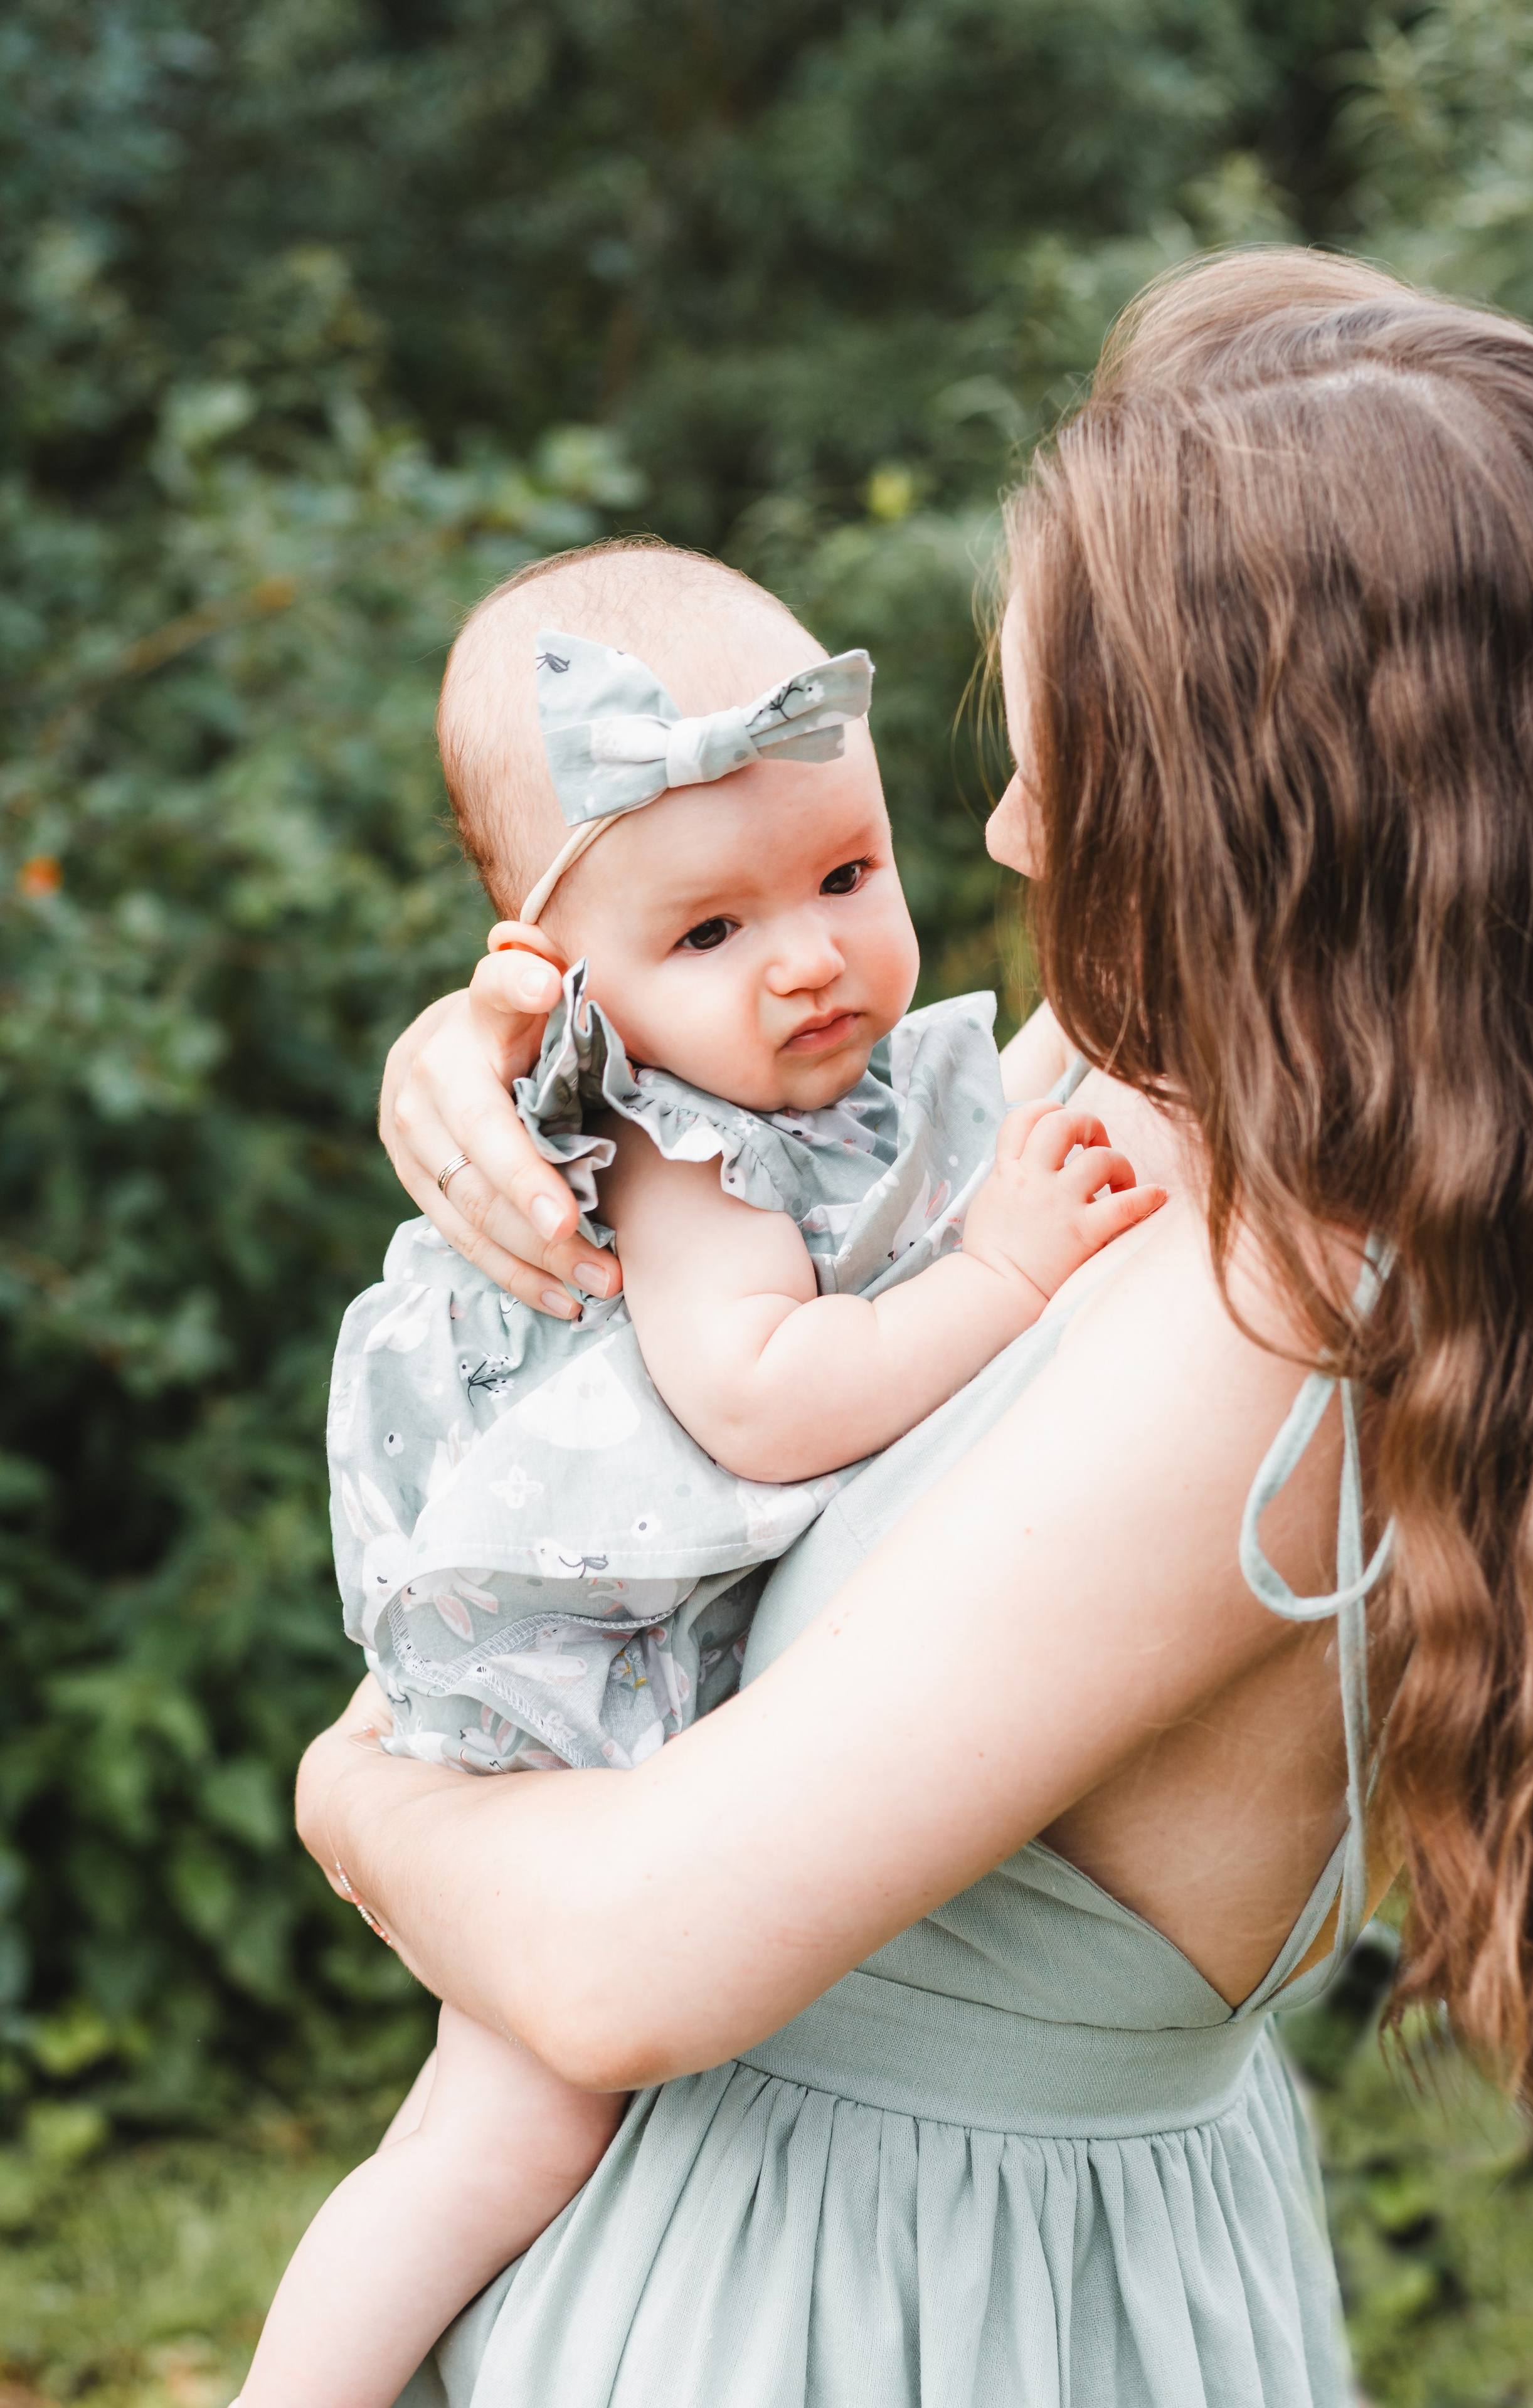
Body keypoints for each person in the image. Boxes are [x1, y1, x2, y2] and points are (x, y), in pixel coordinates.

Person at [295, 246, 1533, 2406]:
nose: (1000, 828)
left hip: (897, 2319)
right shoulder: (1146, 1102)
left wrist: (357, 1796)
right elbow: (757, 1121)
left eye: (1065, 761)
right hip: (769, 2248)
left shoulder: (1264, 1333)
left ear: (1265, 823)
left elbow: (629, 1961)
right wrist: (491, 1041)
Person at [241, 547, 1159, 2407]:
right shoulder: (686, 1151)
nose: (811, 957)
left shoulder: (827, 1082)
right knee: (503, 2140)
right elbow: (763, 1397)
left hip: (689, 1665)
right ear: (564, 985)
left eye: (844, 877)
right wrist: (1000, 1272)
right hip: (592, 1676)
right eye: (710, 934)